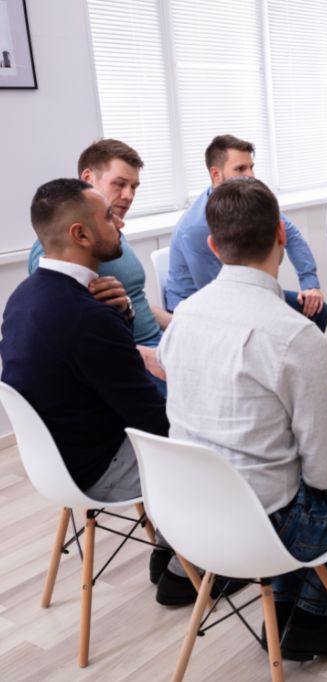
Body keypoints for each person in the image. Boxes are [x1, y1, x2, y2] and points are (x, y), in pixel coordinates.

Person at [158, 176, 327, 662]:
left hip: (189, 520)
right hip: (264, 531)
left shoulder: (183, 317)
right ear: (281, 237)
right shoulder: (294, 335)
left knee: (285, 479)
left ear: (212, 245)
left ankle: (287, 612)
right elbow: (325, 475)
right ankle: (310, 617)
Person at [1, 179, 188, 597]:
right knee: (214, 440)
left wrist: (120, 314)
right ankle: (183, 571)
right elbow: (153, 421)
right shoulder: (86, 318)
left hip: (54, 465)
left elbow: (89, 370)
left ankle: (171, 545)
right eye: (108, 217)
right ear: (80, 234)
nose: (119, 224)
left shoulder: (23, 296)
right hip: (98, 469)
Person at [27, 139, 169, 394]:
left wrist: (178, 323)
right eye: (120, 184)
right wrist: (144, 355)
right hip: (129, 359)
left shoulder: (112, 233)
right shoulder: (61, 248)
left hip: (156, 344)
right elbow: (68, 335)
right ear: (88, 177)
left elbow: (135, 299)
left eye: (134, 187)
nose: (129, 195)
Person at [164, 134, 327, 331]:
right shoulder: (196, 228)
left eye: (251, 167)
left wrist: (309, 283)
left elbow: (291, 235)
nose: (250, 175)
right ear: (216, 174)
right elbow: (217, 295)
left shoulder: (249, 200)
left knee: (317, 310)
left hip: (238, 291)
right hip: (197, 309)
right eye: (241, 169)